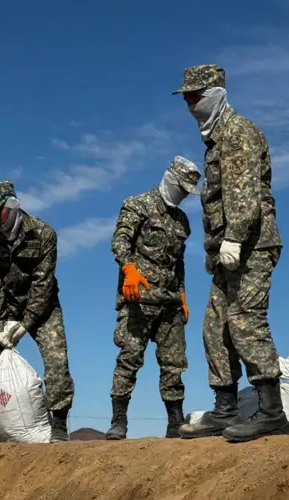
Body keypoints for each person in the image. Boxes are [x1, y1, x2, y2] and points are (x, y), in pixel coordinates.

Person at [172, 64, 289, 442]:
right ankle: (224, 410)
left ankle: (272, 412)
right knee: (214, 328)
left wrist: (235, 237)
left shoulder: (237, 132)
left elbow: (244, 192)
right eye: (186, 98)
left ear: (216, 95)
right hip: (228, 251)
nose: (190, 104)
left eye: (196, 96)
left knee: (244, 320)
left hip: (251, 245)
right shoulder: (215, 140)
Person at [0, 180, 75, 446]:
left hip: (42, 307)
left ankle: (58, 423)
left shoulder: (43, 233)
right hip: (3, 307)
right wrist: (0, 322)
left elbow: (42, 282)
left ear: (12, 206)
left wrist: (26, 323)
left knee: (57, 360)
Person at [105, 156, 201, 440]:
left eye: (188, 191)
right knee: (129, 358)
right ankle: (118, 421)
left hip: (169, 302)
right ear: (170, 179)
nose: (184, 195)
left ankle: (174, 423)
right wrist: (129, 268)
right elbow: (119, 240)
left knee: (174, 364)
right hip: (139, 298)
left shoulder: (182, 221)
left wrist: (182, 294)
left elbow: (178, 263)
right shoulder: (138, 204)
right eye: (182, 188)